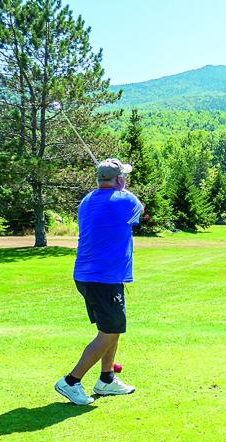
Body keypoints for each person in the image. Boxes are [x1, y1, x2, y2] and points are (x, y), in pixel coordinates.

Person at [54, 158, 143, 405]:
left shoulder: (87, 200)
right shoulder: (126, 199)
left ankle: (106, 379)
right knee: (110, 331)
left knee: (111, 329)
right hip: (103, 278)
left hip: (88, 276)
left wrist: (115, 185)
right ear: (119, 180)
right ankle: (71, 381)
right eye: (123, 176)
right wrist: (122, 188)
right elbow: (140, 210)